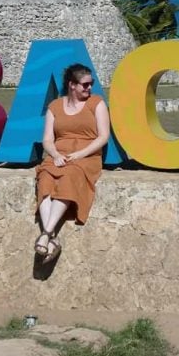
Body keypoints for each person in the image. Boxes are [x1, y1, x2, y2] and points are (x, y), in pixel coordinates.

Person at [34, 63, 110, 261]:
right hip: (60, 154)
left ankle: (45, 234)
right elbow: (48, 140)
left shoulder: (97, 103)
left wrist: (80, 154)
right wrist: (56, 154)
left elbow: (103, 137)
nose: (89, 88)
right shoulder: (55, 106)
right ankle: (51, 238)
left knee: (70, 175)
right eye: (85, 84)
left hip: (86, 156)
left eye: (91, 83)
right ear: (72, 85)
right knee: (45, 177)